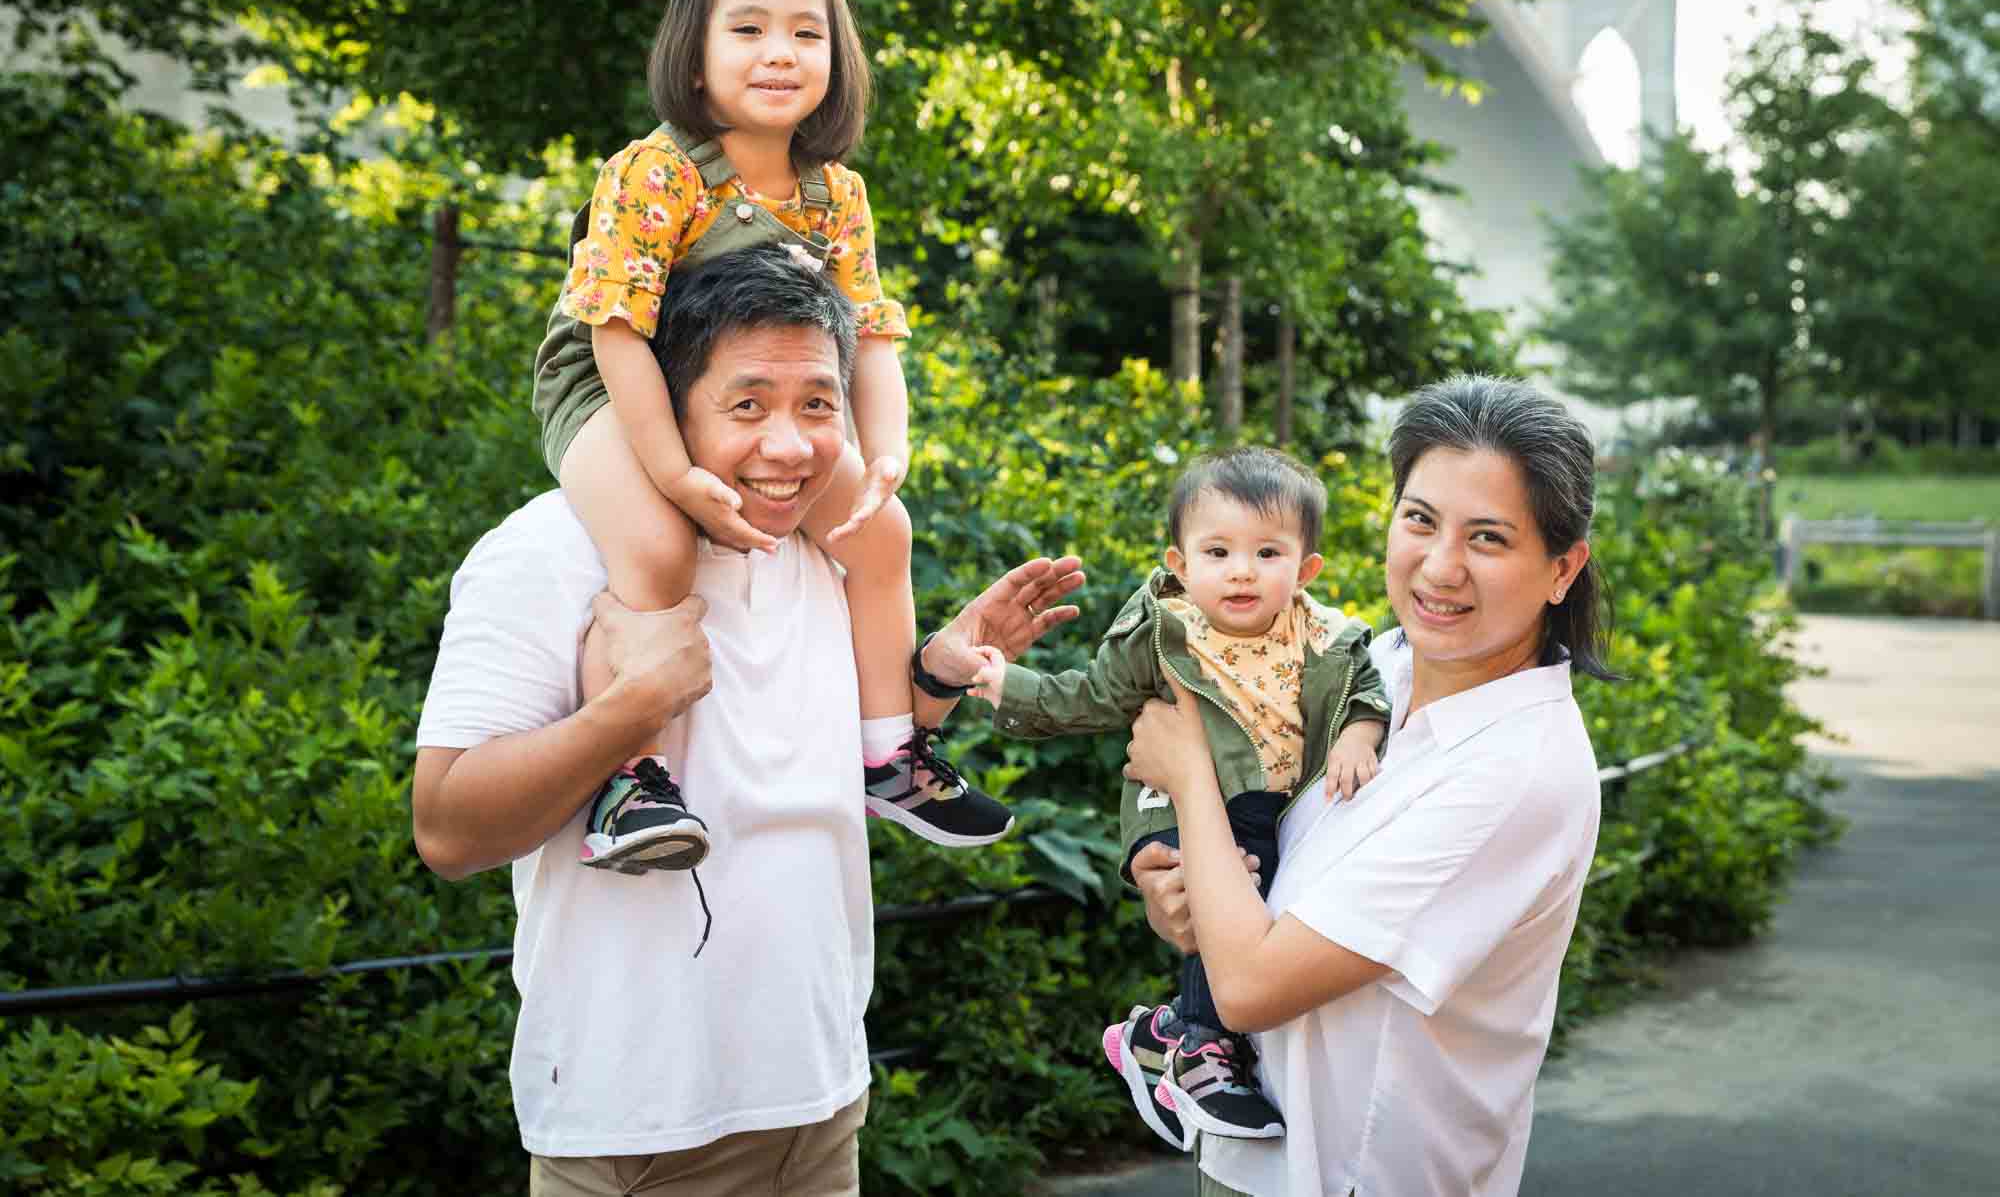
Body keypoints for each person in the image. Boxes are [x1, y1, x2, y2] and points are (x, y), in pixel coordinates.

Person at [413, 246, 1084, 1194]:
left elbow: (821, 750)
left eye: (818, 404)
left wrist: (932, 674)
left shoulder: (827, 547)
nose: (789, 445)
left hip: (819, 1105)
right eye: (746, 405)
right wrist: (633, 708)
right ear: (662, 405)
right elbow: (446, 826)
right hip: (639, 1128)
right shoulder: (552, 549)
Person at [528, 0, 1001, 872]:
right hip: (613, 384)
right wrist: (672, 468)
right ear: (694, 60)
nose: (780, 52)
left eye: (806, 33)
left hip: (762, 404)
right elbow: (617, 331)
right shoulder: (652, 172)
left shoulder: (836, 196)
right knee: (658, 546)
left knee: (884, 531)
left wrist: (888, 452)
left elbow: (866, 334)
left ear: (838, 57)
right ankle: (630, 780)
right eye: (747, 30)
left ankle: (887, 755)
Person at [1122, 375, 1613, 1196]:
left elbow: (1249, 988)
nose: (1441, 566)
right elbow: (1248, 892)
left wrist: (1190, 775)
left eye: (1488, 538)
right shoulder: (1372, 671)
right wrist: (1178, 890)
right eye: (1419, 520)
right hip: (1253, 1155)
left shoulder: (1518, 773)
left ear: (1562, 568)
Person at [966, 447, 1391, 1149]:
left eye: (1267, 552)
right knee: (1232, 876)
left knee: (1254, 897)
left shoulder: (1326, 639)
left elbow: (1365, 693)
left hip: (1270, 807)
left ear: (1306, 568)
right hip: (1176, 805)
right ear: (1181, 560)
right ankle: (1198, 1043)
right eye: (1218, 551)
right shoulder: (1168, 628)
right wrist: (1011, 685)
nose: (1242, 570)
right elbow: (1095, 696)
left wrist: (1361, 733)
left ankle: (1163, 1032)